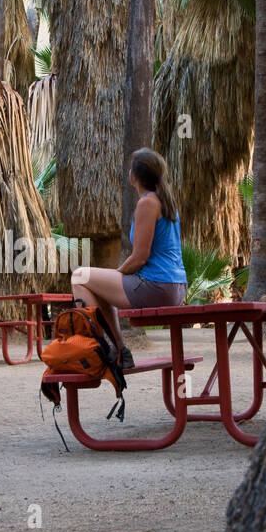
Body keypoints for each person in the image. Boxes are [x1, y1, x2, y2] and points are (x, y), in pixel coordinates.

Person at [70, 148, 187, 370]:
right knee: (96, 286)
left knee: (79, 276)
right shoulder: (164, 200)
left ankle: (99, 348)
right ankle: (119, 351)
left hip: (156, 285)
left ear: (134, 175)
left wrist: (118, 272)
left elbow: (140, 257)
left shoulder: (148, 203)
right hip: (176, 286)